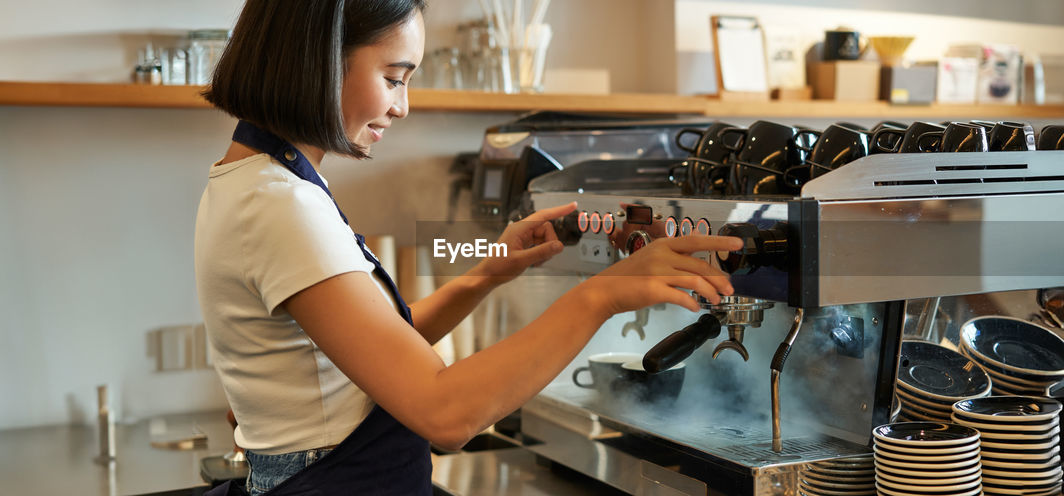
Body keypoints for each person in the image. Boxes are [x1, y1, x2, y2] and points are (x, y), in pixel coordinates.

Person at [193, 1, 742, 495]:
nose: (402, 106)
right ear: (318, 60)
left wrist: (487, 274)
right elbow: (446, 414)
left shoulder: (256, 184)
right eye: (393, 77)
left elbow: (372, 355)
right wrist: (603, 294)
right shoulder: (281, 205)